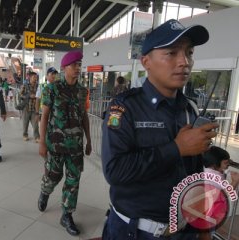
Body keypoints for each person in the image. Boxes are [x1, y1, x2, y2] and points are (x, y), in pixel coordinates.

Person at [101, 19, 219, 239]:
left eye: (189, 53)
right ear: (146, 62)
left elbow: (194, 173)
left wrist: (204, 225)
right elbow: (114, 171)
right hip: (135, 231)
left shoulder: (190, 109)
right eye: (172, 53)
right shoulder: (124, 108)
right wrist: (176, 148)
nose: (184, 61)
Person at [37, 50, 92, 236]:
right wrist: (42, 143)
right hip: (55, 145)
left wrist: (89, 140)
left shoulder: (82, 91)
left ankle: (67, 215)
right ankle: (45, 191)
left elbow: (84, 116)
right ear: (64, 68)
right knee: (53, 176)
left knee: (73, 179)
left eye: (79, 65)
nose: (78, 68)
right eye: (74, 65)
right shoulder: (51, 89)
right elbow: (44, 117)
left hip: (75, 145)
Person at [20, 72, 39, 142]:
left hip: (34, 108)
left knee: (36, 124)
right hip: (26, 108)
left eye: (36, 77)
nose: (35, 78)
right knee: (25, 123)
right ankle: (25, 135)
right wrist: (29, 96)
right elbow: (20, 95)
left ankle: (37, 136)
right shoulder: (25, 85)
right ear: (30, 77)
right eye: (34, 77)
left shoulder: (38, 86)